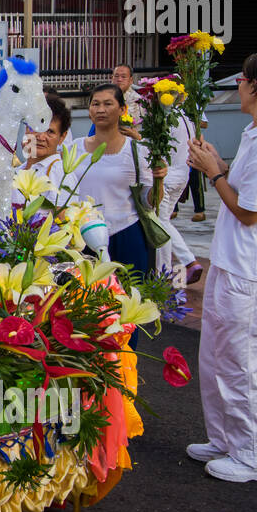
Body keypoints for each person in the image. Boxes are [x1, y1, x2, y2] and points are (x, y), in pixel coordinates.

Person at [186, 49, 257, 484]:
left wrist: (214, 174)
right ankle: (227, 439)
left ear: (254, 86)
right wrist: (220, 165)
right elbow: (247, 187)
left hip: (253, 271)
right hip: (233, 264)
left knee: (245, 365)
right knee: (216, 357)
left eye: (241, 80)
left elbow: (250, 211)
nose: (237, 85)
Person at [72, 84, 165, 349]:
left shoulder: (138, 151)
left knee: (125, 308)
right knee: (85, 306)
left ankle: (125, 364)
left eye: (108, 104)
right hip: (85, 238)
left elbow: (149, 202)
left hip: (127, 235)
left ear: (123, 109)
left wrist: (160, 181)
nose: (100, 109)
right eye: (95, 104)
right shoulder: (75, 149)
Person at [156, 111, 203, 285]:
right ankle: (185, 263)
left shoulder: (165, 116)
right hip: (182, 174)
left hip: (166, 176)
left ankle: (167, 270)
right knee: (164, 222)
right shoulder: (185, 115)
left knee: (160, 224)